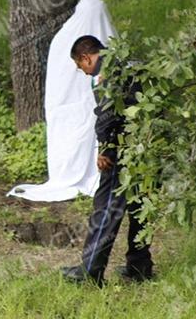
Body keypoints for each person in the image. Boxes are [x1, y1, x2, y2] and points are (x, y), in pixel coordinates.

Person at [61, 35, 153, 286]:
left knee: (106, 209)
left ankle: (91, 271)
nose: (84, 72)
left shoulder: (108, 74)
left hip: (122, 150)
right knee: (140, 207)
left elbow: (107, 113)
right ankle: (140, 266)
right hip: (150, 147)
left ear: (86, 57)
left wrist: (105, 149)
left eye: (82, 67)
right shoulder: (131, 62)